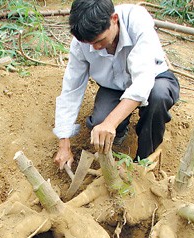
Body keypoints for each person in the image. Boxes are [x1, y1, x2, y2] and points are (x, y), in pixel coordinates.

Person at [53, 0, 180, 170]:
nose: (96, 47)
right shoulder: (81, 42)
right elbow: (71, 90)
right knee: (99, 121)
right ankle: (120, 131)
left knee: (158, 96)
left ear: (114, 19)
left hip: (154, 79)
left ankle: (143, 161)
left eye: (100, 40)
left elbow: (143, 81)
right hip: (113, 86)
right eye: (91, 44)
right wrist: (64, 143)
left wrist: (110, 123)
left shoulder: (138, 21)